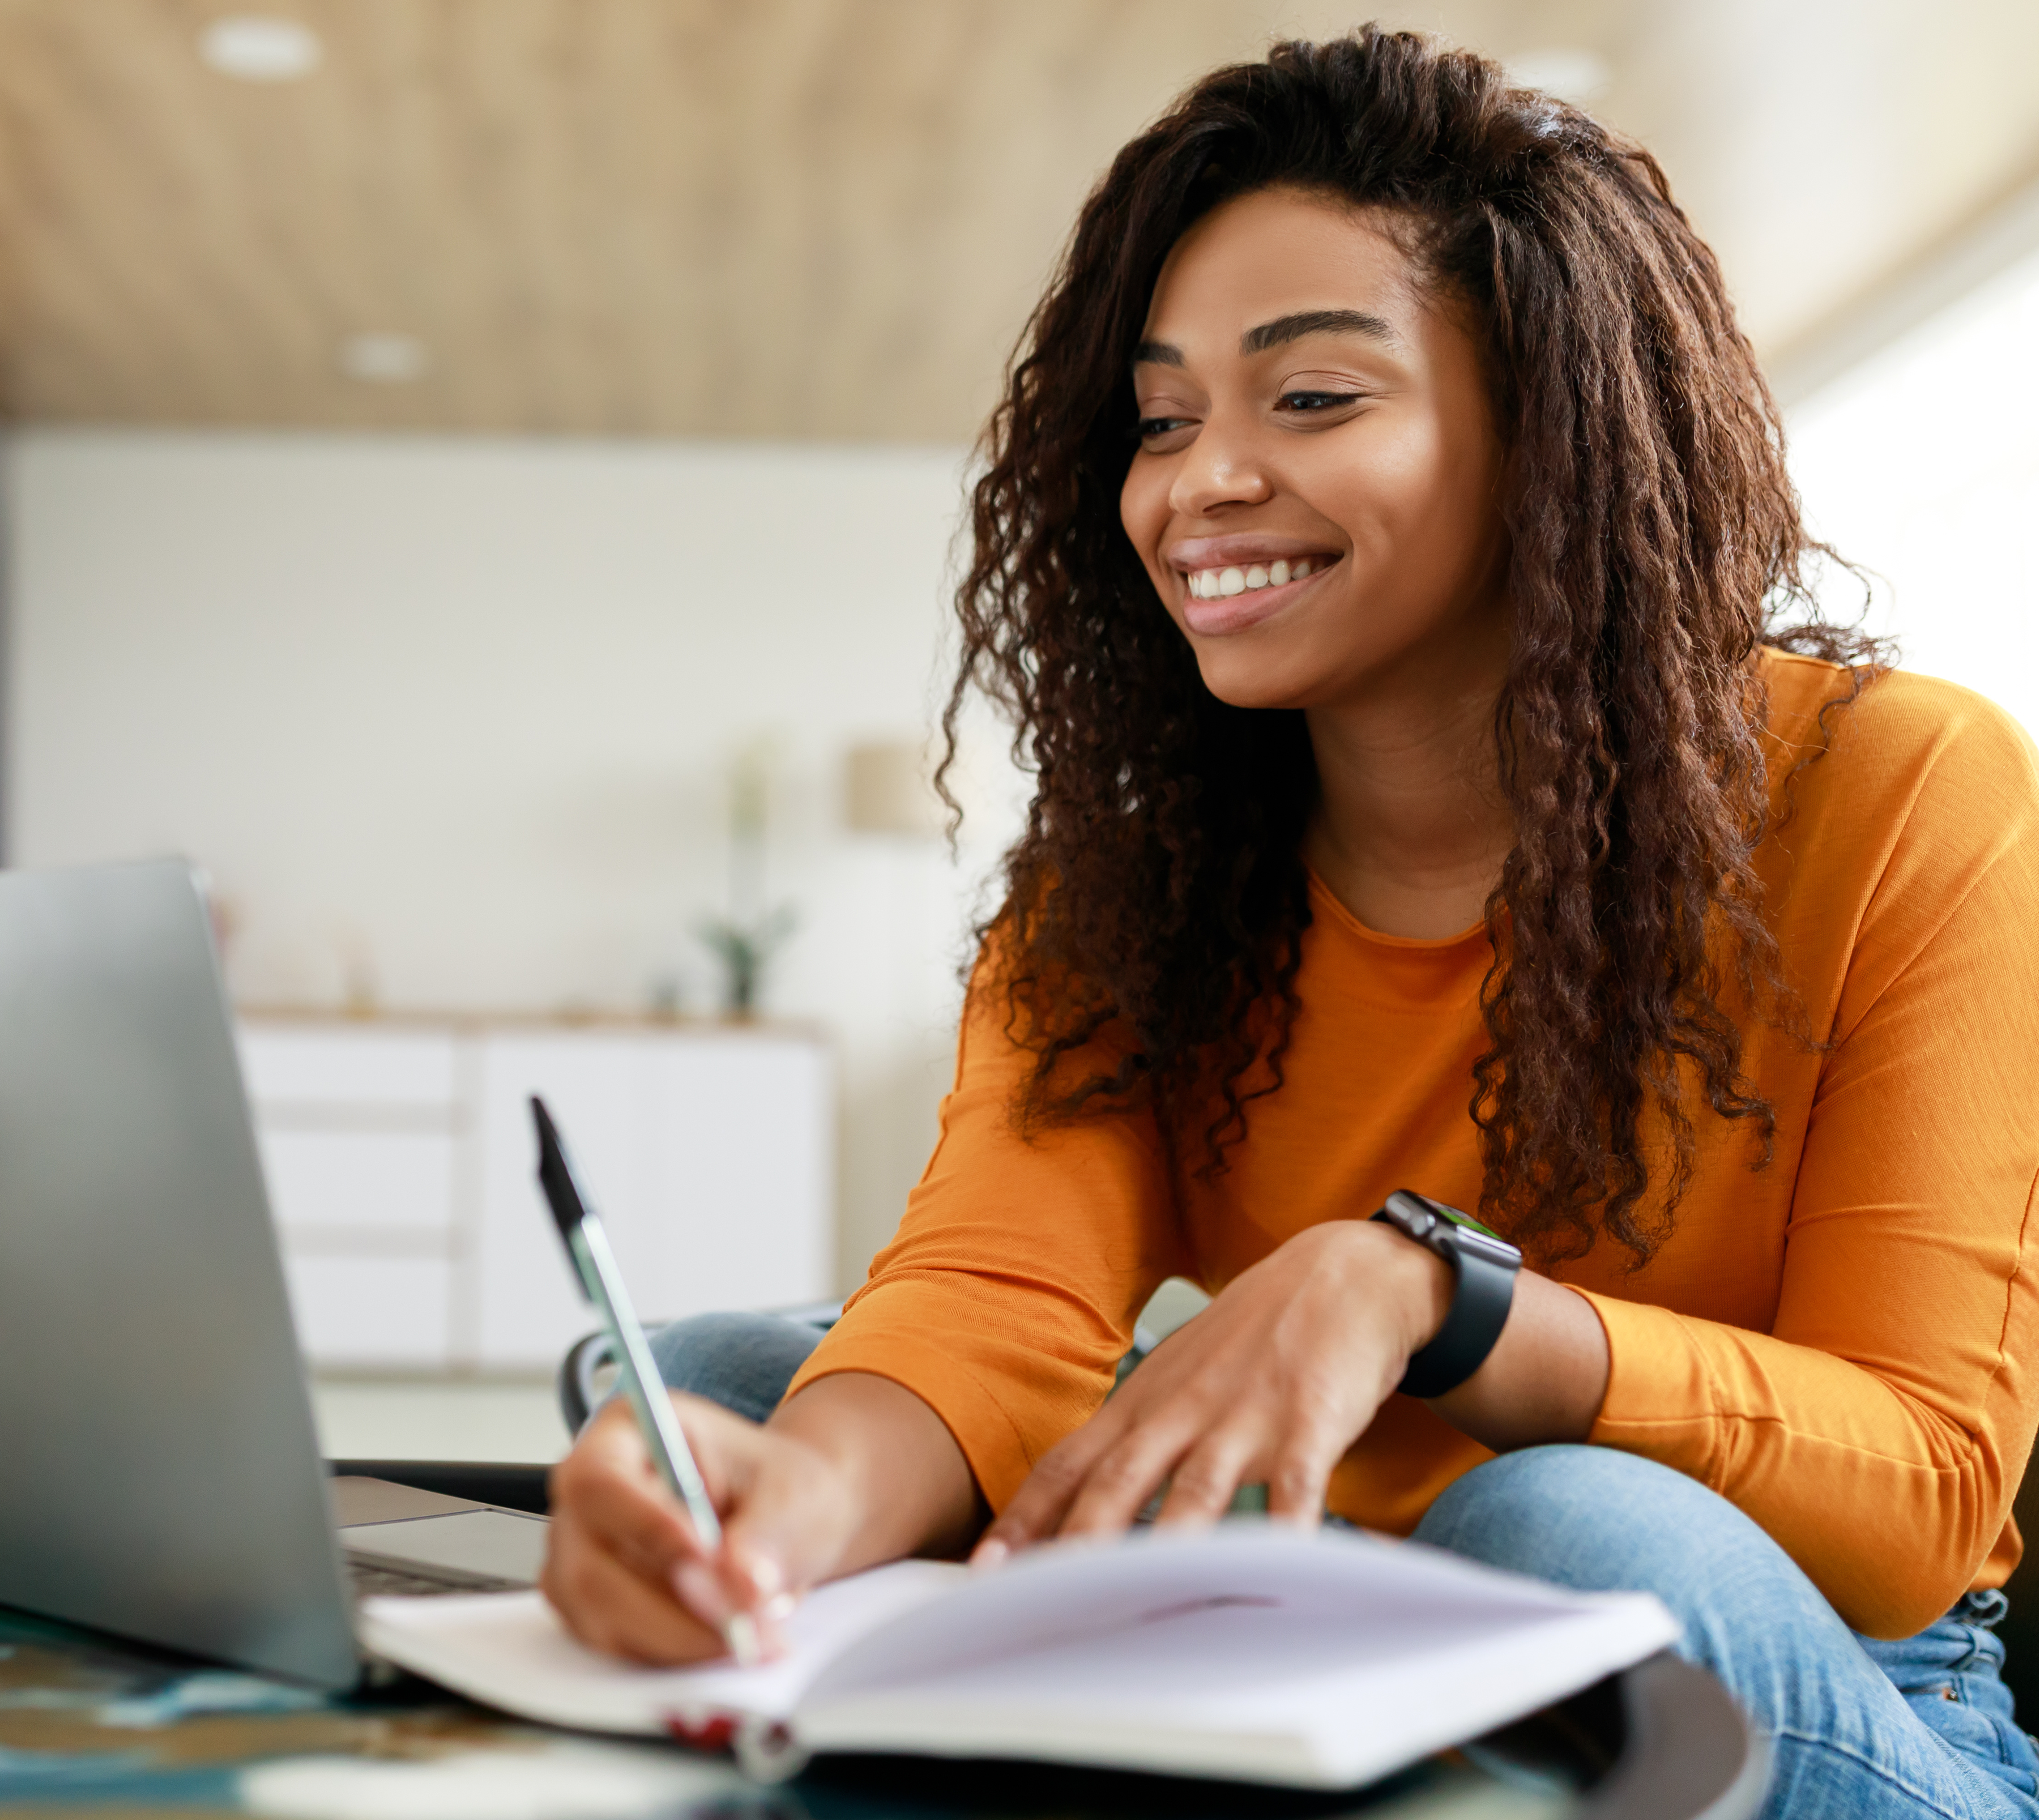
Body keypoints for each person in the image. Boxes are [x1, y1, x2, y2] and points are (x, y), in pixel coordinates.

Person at [542, 27, 2039, 1818]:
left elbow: (1928, 1489)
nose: (1201, 485)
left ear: (1548, 429)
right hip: (1318, 1604)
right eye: (1164, 419)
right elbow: (992, 1298)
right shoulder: (1131, 873)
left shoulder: (1902, 793)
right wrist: (787, 1524)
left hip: (1813, 1672)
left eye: (1312, 398)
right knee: (734, 1396)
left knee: (1554, 1520)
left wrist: (1436, 1299)